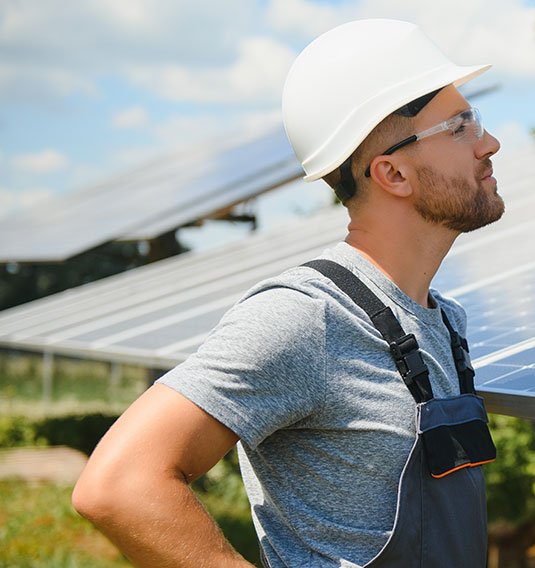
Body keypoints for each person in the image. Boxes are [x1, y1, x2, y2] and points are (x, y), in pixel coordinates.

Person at [72, 19, 503, 568]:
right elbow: (117, 485)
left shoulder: (446, 322)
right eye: (461, 126)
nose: (489, 142)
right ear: (393, 173)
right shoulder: (308, 317)